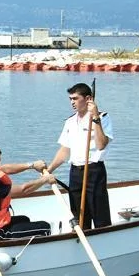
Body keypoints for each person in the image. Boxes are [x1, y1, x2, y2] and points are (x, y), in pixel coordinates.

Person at [47, 82, 113, 229]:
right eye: (70, 99)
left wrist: (95, 118)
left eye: (75, 98)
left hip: (93, 171)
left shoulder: (102, 117)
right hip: (75, 172)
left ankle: (104, 236)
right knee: (79, 215)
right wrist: (49, 170)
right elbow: (65, 150)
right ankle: (82, 235)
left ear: (88, 99)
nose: (72, 102)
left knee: (99, 212)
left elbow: (102, 145)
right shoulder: (70, 121)